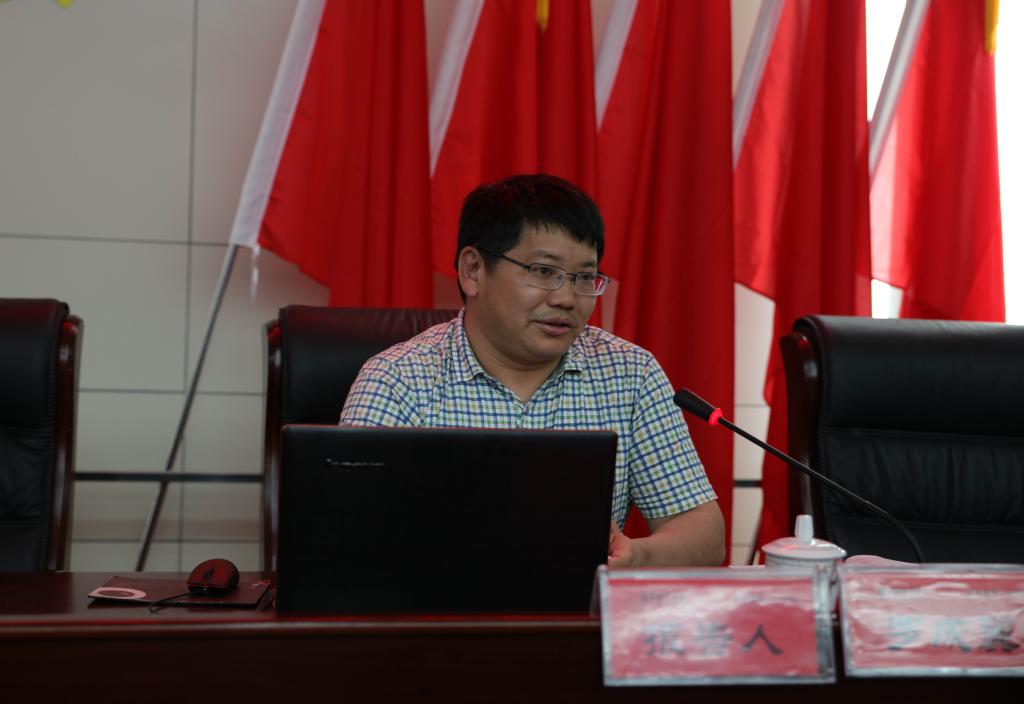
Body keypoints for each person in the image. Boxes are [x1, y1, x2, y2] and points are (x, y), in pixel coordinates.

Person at [340, 174, 725, 567]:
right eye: (543, 271)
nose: (566, 298)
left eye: (584, 278)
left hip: (580, 606)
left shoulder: (629, 374)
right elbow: (344, 537)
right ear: (473, 271)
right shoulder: (397, 380)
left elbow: (703, 533)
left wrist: (637, 556)